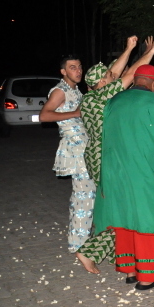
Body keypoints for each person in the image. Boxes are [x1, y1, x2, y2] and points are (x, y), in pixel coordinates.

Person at [92, 64, 154, 290]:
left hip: (116, 170)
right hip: (146, 172)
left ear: (136, 80)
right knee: (146, 218)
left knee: (124, 216)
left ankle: (130, 270)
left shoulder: (113, 102)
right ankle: (148, 276)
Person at [75, 36, 154, 273]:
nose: (112, 76)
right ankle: (89, 251)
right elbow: (132, 74)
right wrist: (151, 52)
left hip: (97, 154)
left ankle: (122, 256)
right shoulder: (103, 96)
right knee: (122, 207)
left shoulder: (90, 97)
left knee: (114, 205)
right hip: (108, 157)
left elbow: (115, 72)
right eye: (108, 76)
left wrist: (130, 48)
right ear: (102, 83)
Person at [40, 54, 90, 255]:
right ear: (63, 71)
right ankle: (79, 246)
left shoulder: (75, 89)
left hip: (83, 147)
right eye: (72, 67)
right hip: (75, 149)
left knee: (86, 196)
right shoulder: (60, 91)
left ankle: (82, 240)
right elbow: (44, 115)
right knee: (83, 197)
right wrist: (75, 113)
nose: (78, 71)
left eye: (79, 67)